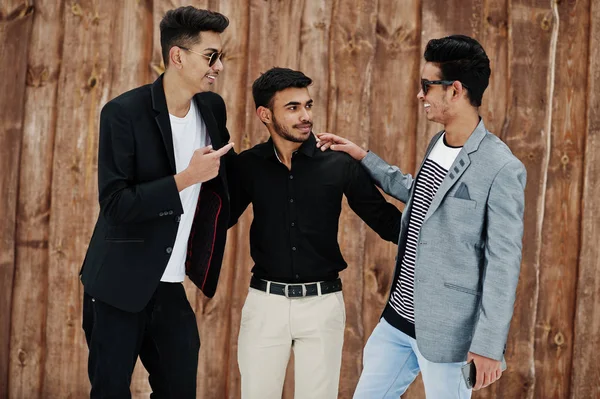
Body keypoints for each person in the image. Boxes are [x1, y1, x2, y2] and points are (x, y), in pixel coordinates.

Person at [317, 35, 526, 398]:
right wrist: (362, 156)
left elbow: (504, 263)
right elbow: (422, 195)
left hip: (448, 333)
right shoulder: (439, 142)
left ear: (455, 90)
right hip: (397, 320)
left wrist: (489, 346)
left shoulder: (501, 167)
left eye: (426, 86)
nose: (420, 95)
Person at [79, 6, 234, 398]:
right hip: (117, 284)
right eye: (210, 56)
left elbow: (225, 178)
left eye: (221, 56)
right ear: (177, 56)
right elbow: (115, 204)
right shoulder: (123, 113)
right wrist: (185, 179)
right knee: (111, 391)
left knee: (179, 388)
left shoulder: (212, 108)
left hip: (170, 283)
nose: (218, 66)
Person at [228, 67, 402, 399]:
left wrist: (439, 237)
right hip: (265, 305)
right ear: (265, 114)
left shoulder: (338, 163)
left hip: (323, 306)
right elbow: (216, 221)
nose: (305, 115)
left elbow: (386, 221)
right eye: (292, 107)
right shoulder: (248, 165)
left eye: (307, 105)